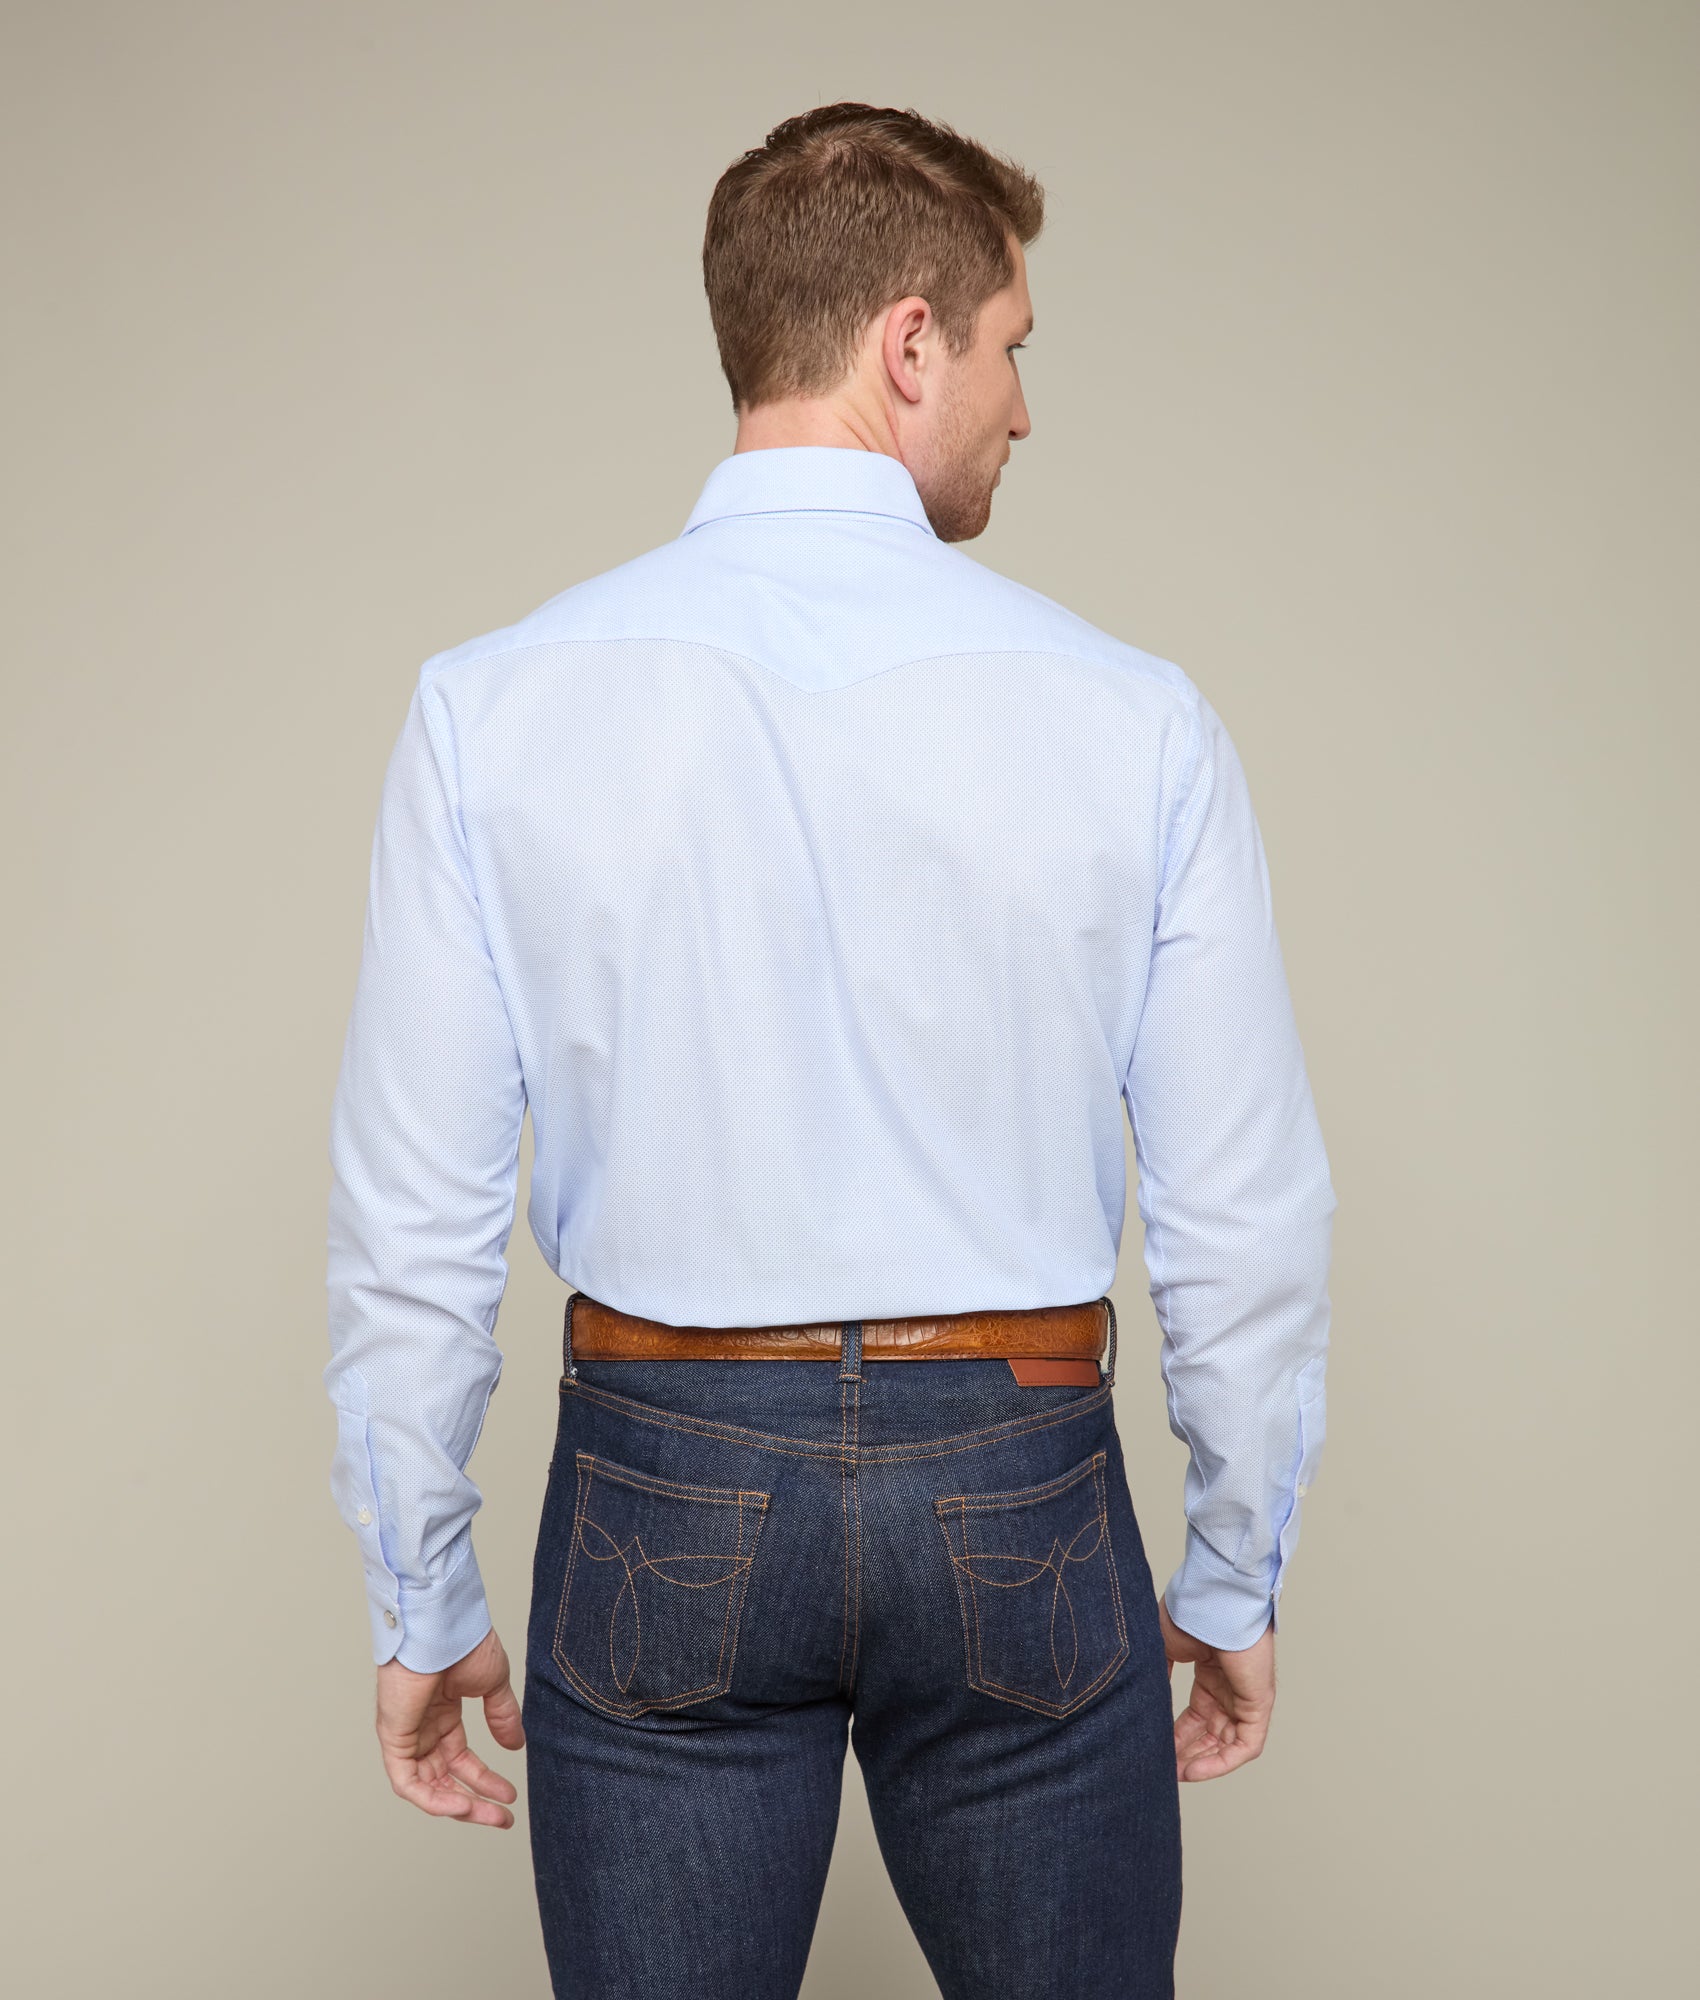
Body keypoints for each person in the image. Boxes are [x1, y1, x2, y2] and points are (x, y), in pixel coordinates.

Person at [323, 100, 1336, 2000]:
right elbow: (1245, 1210)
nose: (1026, 409)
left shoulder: (493, 709)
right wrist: (1233, 1566)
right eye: (1014, 346)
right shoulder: (1135, 720)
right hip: (1021, 1466)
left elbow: (413, 1217)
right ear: (910, 342)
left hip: (661, 1477)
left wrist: (418, 1588)